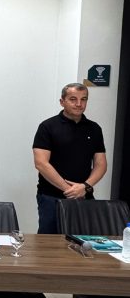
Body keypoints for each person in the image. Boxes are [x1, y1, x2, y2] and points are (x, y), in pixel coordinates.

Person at [33, 83, 107, 234]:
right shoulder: (47, 126)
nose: (79, 104)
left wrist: (85, 187)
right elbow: (41, 163)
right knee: (49, 242)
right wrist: (69, 190)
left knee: (85, 241)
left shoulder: (94, 129)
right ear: (62, 102)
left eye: (83, 99)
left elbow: (101, 164)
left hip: (84, 196)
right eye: (73, 99)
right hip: (51, 197)